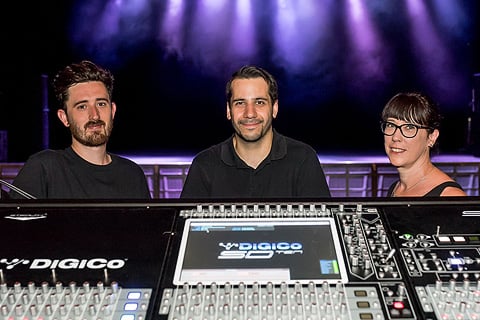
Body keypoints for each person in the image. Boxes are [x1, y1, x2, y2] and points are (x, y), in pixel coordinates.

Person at [180, 65, 331, 198]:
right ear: (228, 110)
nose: (250, 113)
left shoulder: (303, 159)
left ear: (274, 108)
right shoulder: (204, 165)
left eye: (259, 102)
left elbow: (318, 230)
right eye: (240, 103)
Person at [9, 60, 151, 199]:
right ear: (64, 118)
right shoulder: (44, 168)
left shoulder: (132, 174)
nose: (94, 115)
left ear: (112, 111)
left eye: (101, 104)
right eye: (82, 106)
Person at [380, 92, 466, 197]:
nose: (395, 137)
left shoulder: (450, 196)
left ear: (432, 137)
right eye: (390, 125)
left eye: (409, 127)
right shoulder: (396, 188)